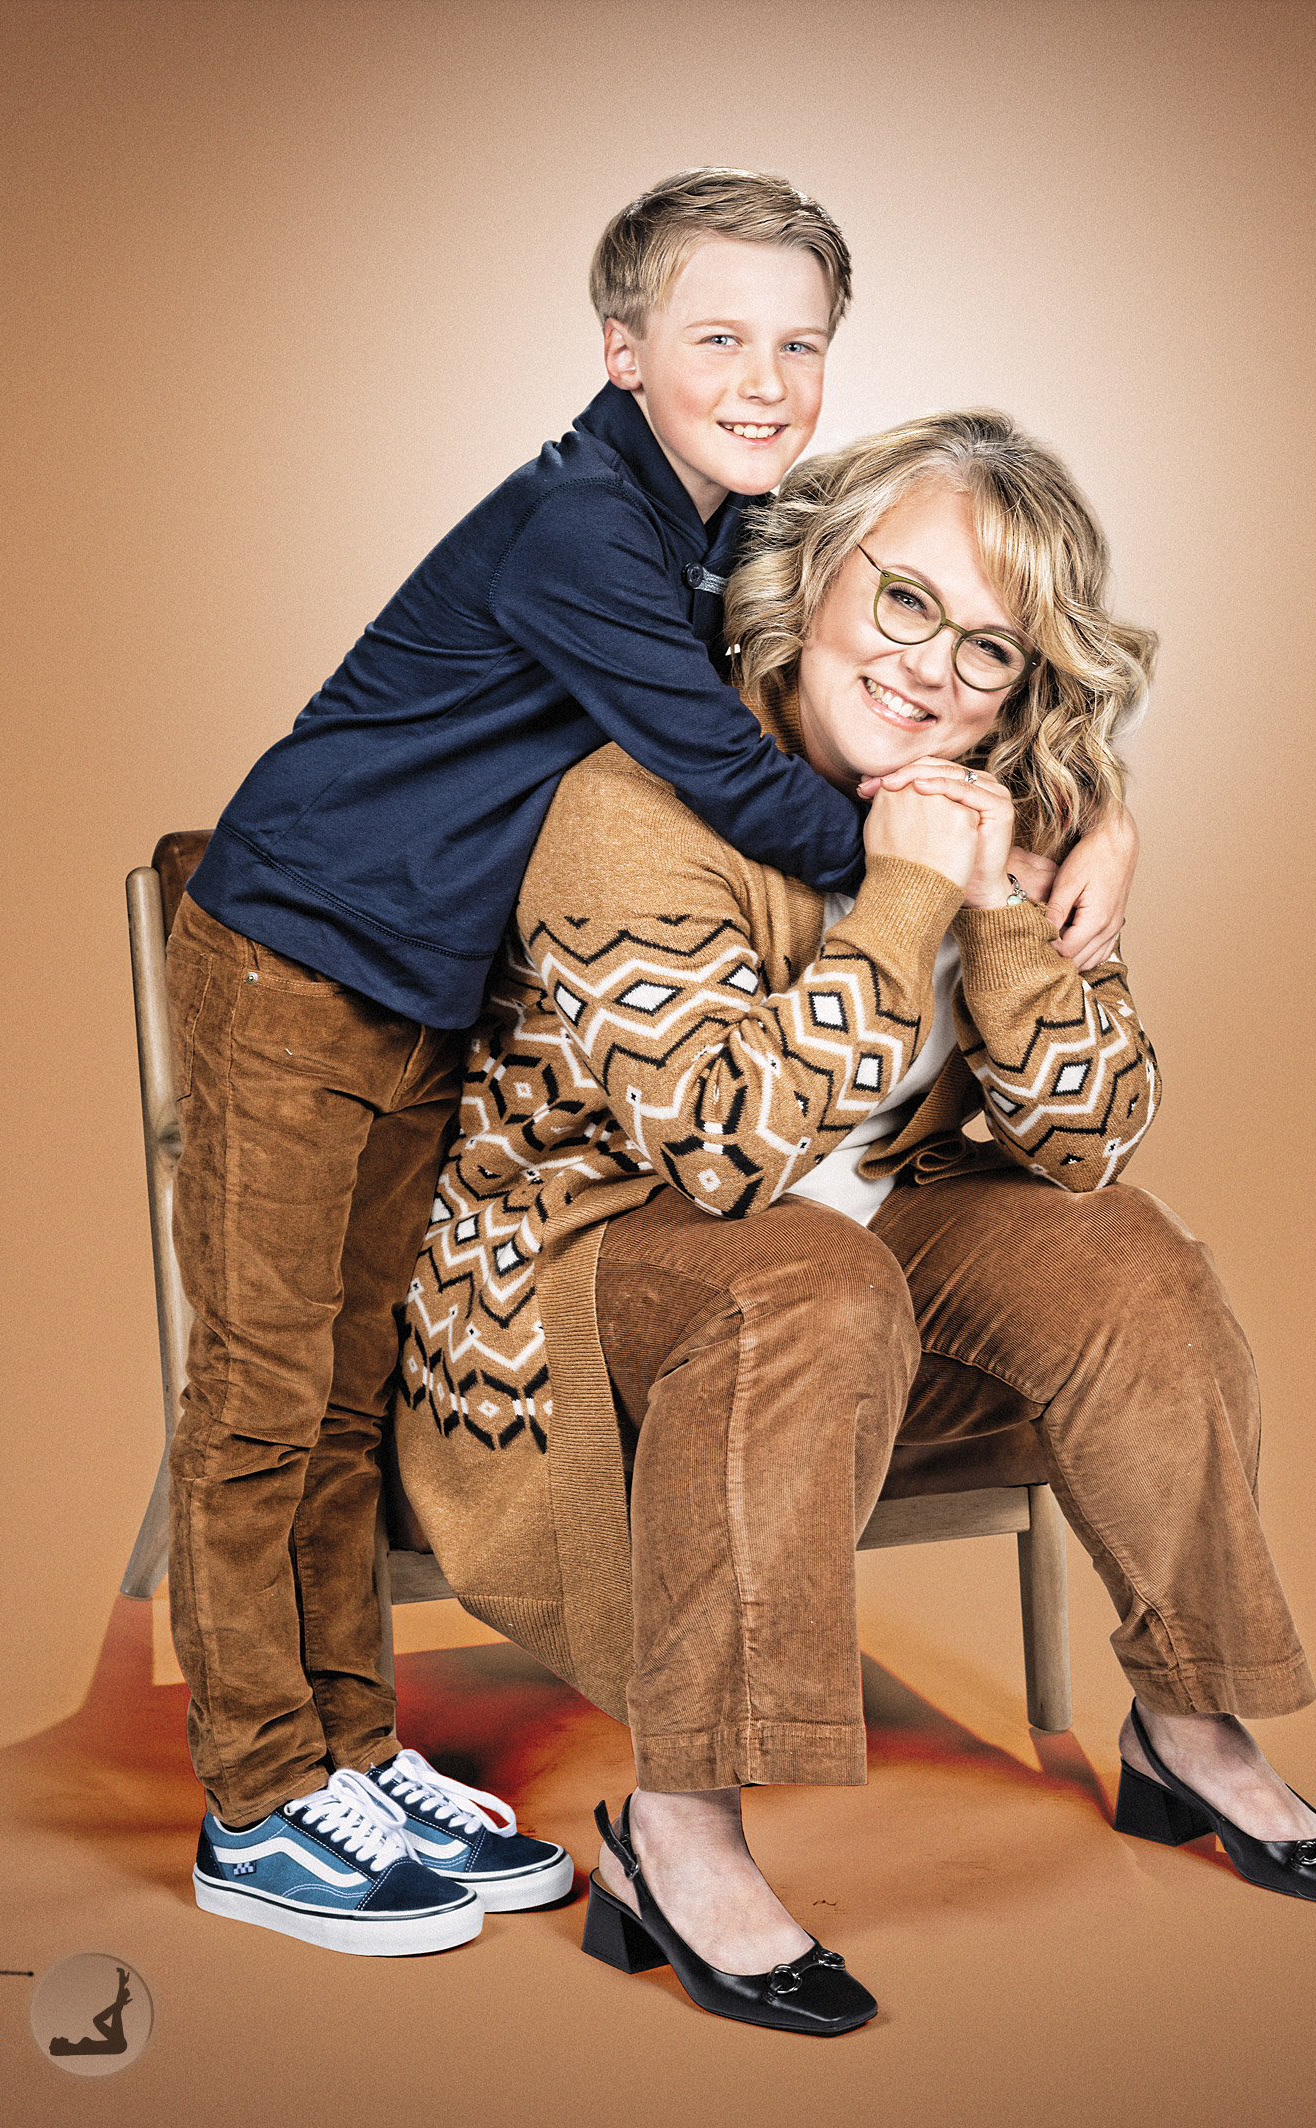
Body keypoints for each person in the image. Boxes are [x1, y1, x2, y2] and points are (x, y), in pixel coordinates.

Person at [166, 170, 1148, 1957]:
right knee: (263, 1389)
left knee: (338, 1392)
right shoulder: (584, 533)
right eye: (718, 339)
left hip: (418, 981)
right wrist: (950, 865)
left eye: (801, 345)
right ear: (621, 352)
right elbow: (738, 774)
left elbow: (902, 656)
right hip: (297, 949)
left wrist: (1094, 811)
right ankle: (256, 1796)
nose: (765, 382)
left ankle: (350, 1751)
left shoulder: (715, 528)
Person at [393, 408, 1316, 2033]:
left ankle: (1191, 1726)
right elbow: (724, 1157)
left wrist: (1004, 910)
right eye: (905, 600)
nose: (932, 670)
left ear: (1023, 686)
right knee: (806, 1276)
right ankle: (676, 1833)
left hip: (854, 1307)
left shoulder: (1002, 817)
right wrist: (908, 893)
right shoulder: (637, 806)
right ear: (810, 579)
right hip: (585, 1305)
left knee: (1129, 1255)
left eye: (989, 648)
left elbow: (1088, 1138)